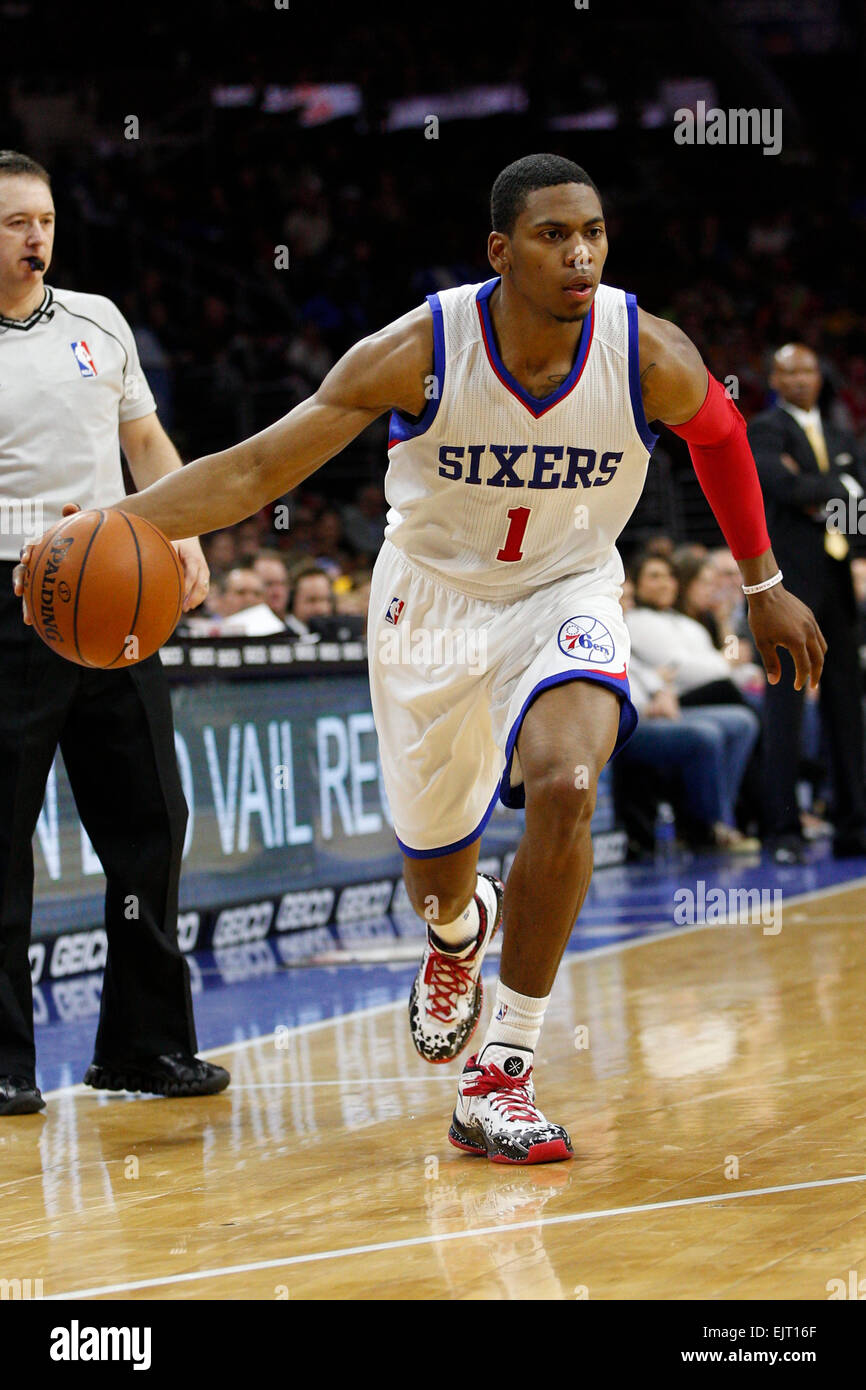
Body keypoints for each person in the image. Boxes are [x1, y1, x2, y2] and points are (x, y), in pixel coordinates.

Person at [17, 153, 825, 1161]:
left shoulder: (644, 349)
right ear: (499, 250)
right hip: (428, 607)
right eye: (551, 236)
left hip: (563, 587)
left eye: (592, 234)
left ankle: (503, 1071)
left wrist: (760, 583)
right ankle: (455, 935)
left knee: (568, 782)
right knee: (435, 879)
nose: (579, 254)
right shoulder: (420, 346)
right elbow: (261, 467)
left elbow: (717, 435)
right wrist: (108, 523)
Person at [0, 150, 228, 1114]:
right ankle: (5, 1062)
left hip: (117, 601)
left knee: (150, 824)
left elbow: (144, 443)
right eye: (15, 221)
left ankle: (143, 1047)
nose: (37, 236)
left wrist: (178, 530)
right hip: (10, 600)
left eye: (44, 218)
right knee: (2, 837)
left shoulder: (99, 319)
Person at [748, 343, 866, 862]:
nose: (798, 379)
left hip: (838, 583)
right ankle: (782, 829)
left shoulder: (841, 433)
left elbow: (858, 505)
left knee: (847, 707)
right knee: (786, 707)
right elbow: (781, 485)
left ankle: (853, 826)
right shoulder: (765, 428)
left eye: (806, 370)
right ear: (774, 377)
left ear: (820, 375)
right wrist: (835, 485)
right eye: (787, 371)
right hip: (787, 586)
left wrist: (824, 491)